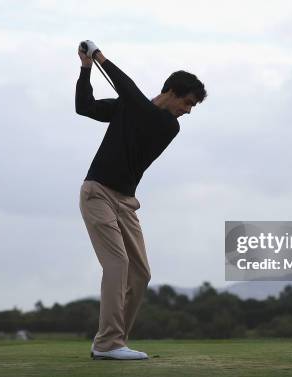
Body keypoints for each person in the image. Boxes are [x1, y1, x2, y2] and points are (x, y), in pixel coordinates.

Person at [75, 40, 206, 360]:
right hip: (97, 194)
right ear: (172, 91)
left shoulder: (167, 125)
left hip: (125, 202)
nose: (188, 111)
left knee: (140, 273)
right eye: (187, 102)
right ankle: (107, 345)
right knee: (117, 264)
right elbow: (85, 106)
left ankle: (114, 340)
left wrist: (100, 55)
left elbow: (130, 92)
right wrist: (86, 68)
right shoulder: (130, 106)